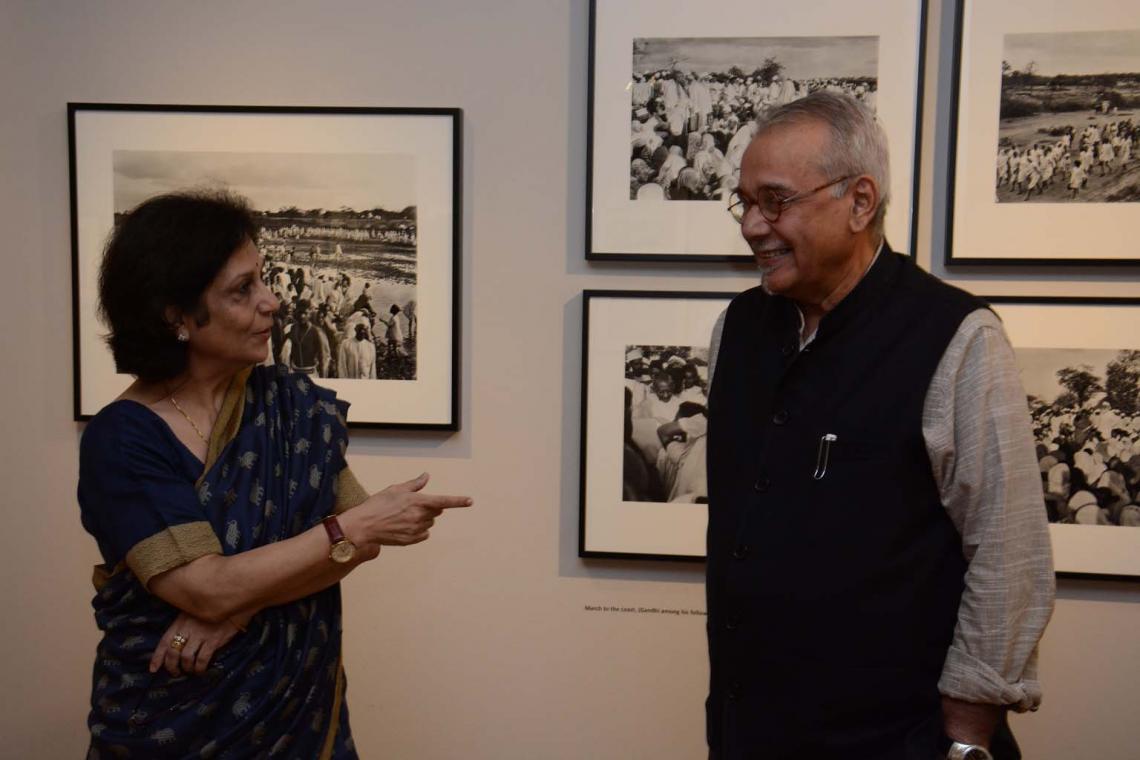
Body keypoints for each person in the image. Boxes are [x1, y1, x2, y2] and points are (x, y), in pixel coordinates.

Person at [706, 92, 1054, 760]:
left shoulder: (956, 337)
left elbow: (1010, 553)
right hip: (751, 729)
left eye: (775, 201)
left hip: (900, 738)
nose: (751, 226)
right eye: (743, 202)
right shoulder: (737, 330)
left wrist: (965, 736)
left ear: (860, 202)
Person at [78, 191, 473, 757]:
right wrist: (349, 531)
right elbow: (205, 586)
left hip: (297, 711)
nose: (272, 301)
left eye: (263, 279)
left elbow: (356, 546)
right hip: (174, 717)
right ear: (176, 316)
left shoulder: (288, 404)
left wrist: (240, 609)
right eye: (243, 290)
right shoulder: (124, 438)